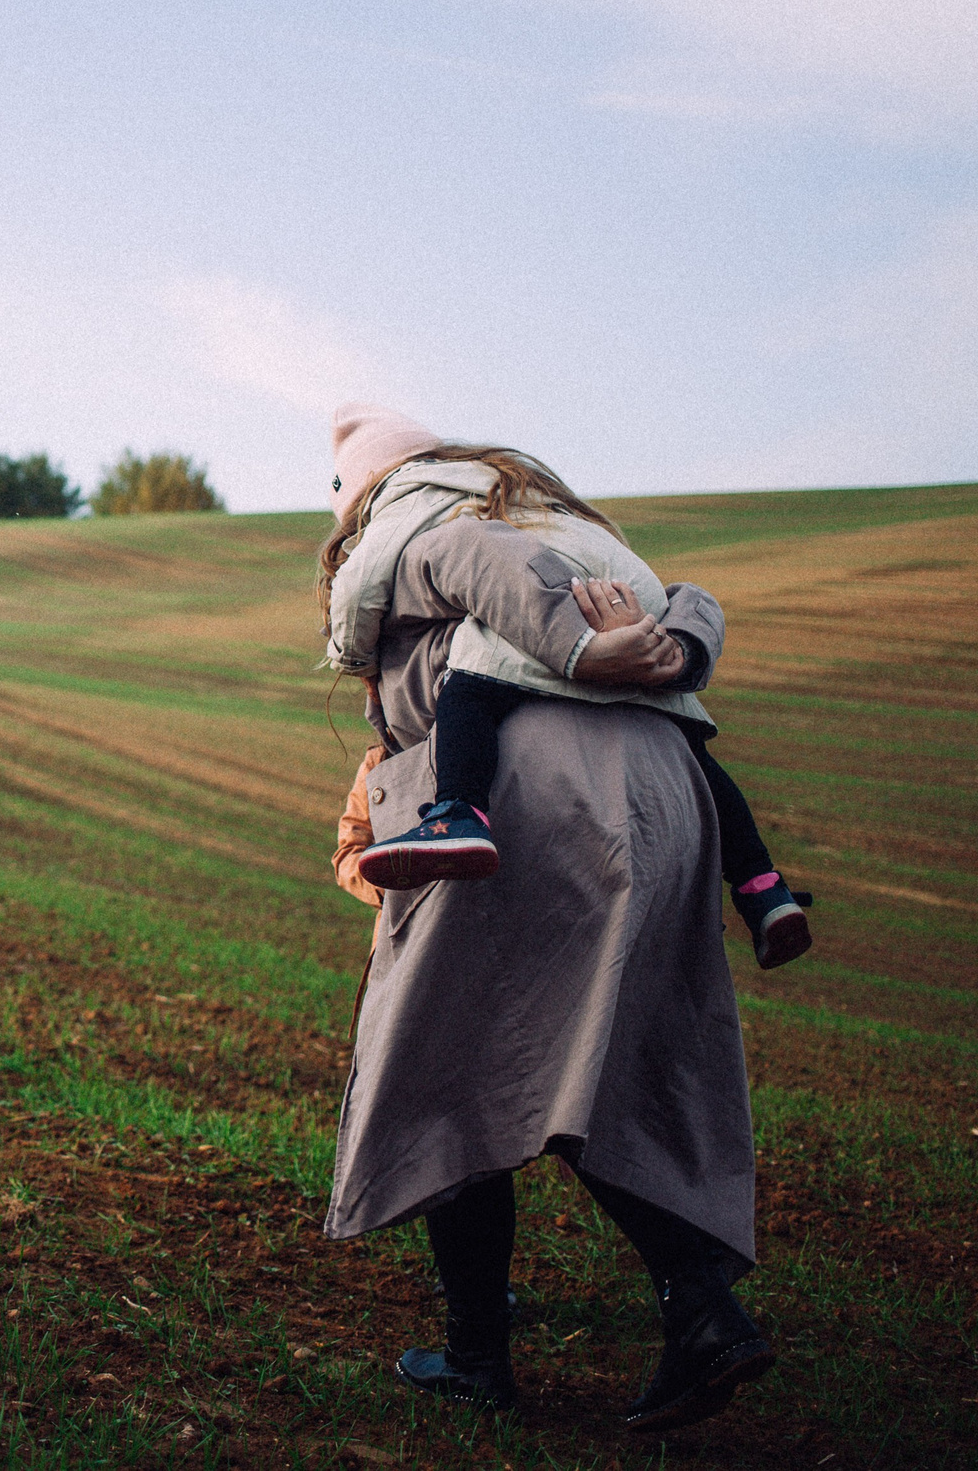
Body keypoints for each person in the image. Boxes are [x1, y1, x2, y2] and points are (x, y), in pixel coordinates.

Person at [317, 401, 777, 1431]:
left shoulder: (421, 529)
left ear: (370, 491)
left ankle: (481, 1351)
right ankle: (697, 1307)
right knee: (601, 1058)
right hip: (668, 804)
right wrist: (662, 652)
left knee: (449, 1061)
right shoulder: (575, 535)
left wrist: (573, 652)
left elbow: (468, 562)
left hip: (540, 808)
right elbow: (691, 603)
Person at [320, 407, 810, 970]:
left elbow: (446, 568)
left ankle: (459, 811)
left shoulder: (416, 517)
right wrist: (675, 651)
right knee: (703, 765)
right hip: (644, 639)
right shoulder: (539, 506)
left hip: (554, 632)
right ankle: (762, 886)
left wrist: (581, 652)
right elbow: (689, 595)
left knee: (470, 678)